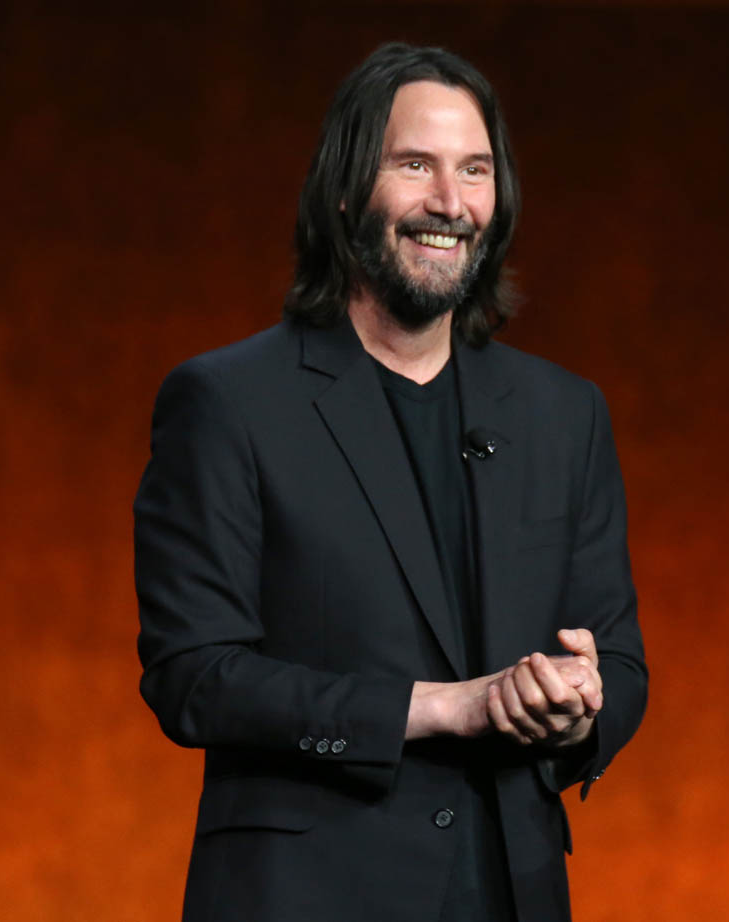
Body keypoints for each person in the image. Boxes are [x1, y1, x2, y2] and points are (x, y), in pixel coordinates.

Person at [134, 42, 647, 922]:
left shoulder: (565, 413)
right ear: (344, 190)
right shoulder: (228, 401)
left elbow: (621, 660)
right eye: (415, 165)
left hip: (510, 892)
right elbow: (195, 676)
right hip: (305, 897)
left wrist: (579, 714)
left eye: (474, 170)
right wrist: (442, 708)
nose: (450, 202)